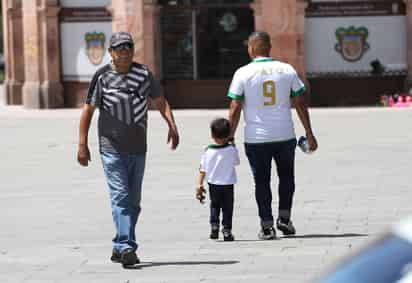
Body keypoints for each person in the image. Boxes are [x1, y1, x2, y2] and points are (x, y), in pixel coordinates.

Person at [77, 32, 179, 266]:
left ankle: (117, 245)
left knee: (133, 202)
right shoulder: (102, 76)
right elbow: (88, 111)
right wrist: (82, 144)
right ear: (110, 52)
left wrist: (172, 124)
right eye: (119, 48)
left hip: (138, 148)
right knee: (121, 196)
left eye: (128, 47)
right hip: (110, 147)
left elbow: (160, 100)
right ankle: (126, 247)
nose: (124, 51)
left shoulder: (143, 74)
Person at [227, 31, 318, 240]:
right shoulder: (286, 70)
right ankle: (284, 219)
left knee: (261, 181)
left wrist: (229, 137)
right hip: (285, 135)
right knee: (287, 178)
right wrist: (309, 133)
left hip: (256, 138)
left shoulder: (242, 73)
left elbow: (235, 107)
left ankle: (267, 226)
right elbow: (300, 102)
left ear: (251, 49)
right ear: (269, 48)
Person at [196, 118, 240, 241]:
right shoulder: (231, 150)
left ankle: (214, 227)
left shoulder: (208, 150)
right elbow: (236, 162)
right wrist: (233, 145)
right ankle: (227, 230)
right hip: (228, 184)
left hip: (213, 184)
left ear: (212, 135)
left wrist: (199, 184)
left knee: (214, 205)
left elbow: (202, 169)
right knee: (227, 207)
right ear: (228, 134)